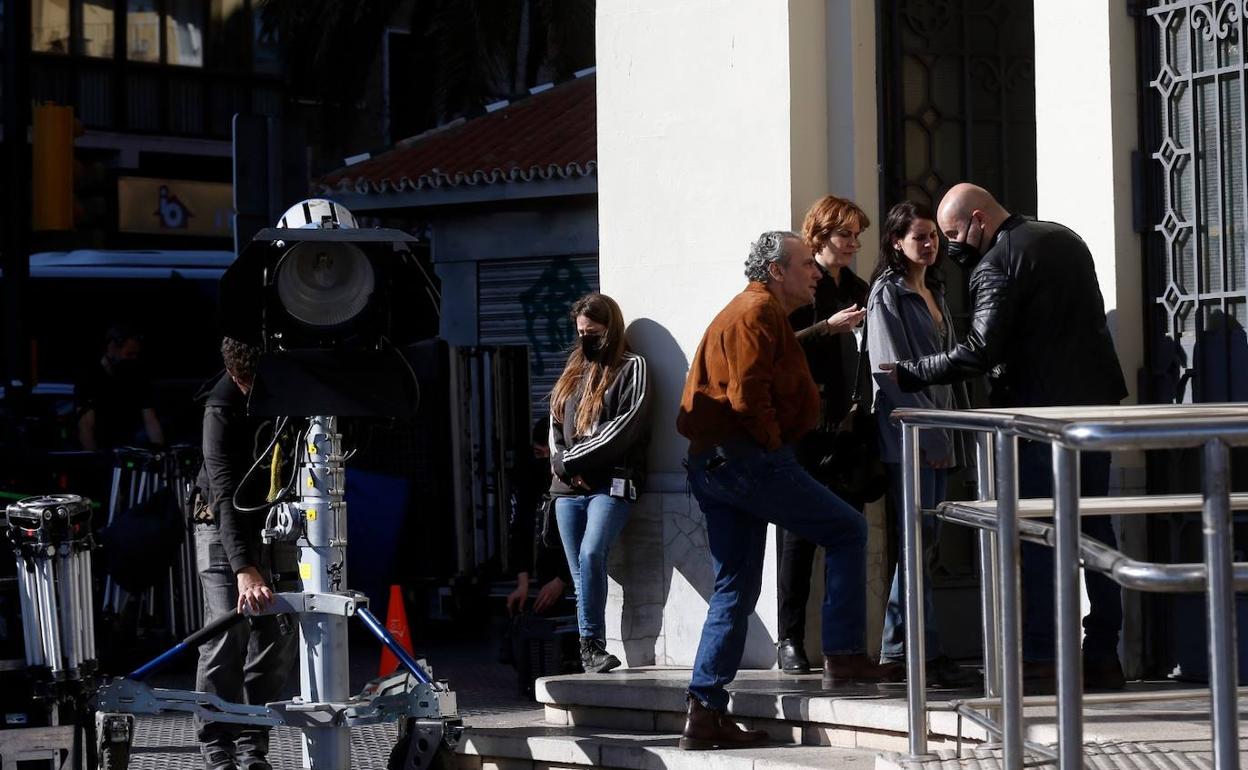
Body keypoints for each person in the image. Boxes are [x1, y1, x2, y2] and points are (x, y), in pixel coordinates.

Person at [884, 183, 1129, 691]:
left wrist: (912, 373)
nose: (952, 245)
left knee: (1039, 535)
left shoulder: (996, 263)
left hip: (1038, 417)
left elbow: (978, 348)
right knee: (1096, 530)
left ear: (977, 219)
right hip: (1095, 407)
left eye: (953, 234)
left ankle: (1042, 656)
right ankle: (1104, 653)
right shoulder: (1064, 238)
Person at [676, 231, 898, 752]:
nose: (816, 272)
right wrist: (776, 445)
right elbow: (748, 393)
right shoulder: (756, 312)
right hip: (748, 460)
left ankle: (704, 712)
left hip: (718, 463)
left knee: (734, 589)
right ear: (776, 270)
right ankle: (842, 655)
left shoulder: (753, 311)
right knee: (848, 528)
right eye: (805, 264)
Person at [865, 200, 976, 689]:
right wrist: (929, 433)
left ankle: (898, 648)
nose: (930, 245)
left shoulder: (934, 288)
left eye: (933, 236)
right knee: (918, 542)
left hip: (940, 431)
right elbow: (887, 372)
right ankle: (922, 651)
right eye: (919, 237)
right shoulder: (885, 295)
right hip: (909, 436)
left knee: (923, 542)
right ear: (896, 242)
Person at [775, 195, 870, 675]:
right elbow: (777, 347)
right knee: (797, 536)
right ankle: (788, 638)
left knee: (846, 530)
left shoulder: (858, 286)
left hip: (847, 426)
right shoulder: (800, 284)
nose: (853, 244)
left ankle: (842, 646)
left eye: (857, 236)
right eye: (844, 235)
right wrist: (826, 329)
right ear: (819, 235)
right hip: (803, 425)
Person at [193, 338, 296, 770]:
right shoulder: (220, 409)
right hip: (221, 524)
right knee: (226, 633)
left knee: (277, 637)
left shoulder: (292, 390)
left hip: (275, 522)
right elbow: (222, 492)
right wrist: (244, 569)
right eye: (249, 384)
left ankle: (254, 745)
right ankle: (217, 744)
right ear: (236, 377)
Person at [548, 293, 651, 674]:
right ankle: (589, 648)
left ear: (611, 329)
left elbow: (622, 428)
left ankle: (592, 645)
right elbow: (556, 423)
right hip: (568, 489)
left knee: (592, 555)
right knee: (580, 573)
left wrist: (573, 460)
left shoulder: (632, 367)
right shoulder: (574, 370)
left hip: (611, 484)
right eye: (581, 333)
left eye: (593, 333)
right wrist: (562, 464)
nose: (586, 340)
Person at [507, 417, 573, 617]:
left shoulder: (574, 475)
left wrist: (562, 579)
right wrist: (522, 580)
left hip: (569, 575)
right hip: (545, 571)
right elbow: (520, 523)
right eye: (538, 453)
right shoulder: (527, 473)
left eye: (548, 454)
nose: (544, 460)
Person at [74, 323, 164, 451]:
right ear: (112, 348)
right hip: (101, 450)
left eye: (136, 355)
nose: (133, 359)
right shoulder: (89, 377)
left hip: (127, 451)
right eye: (129, 354)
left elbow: (150, 420)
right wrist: (93, 461)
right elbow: (86, 426)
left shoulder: (137, 377)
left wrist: (159, 452)